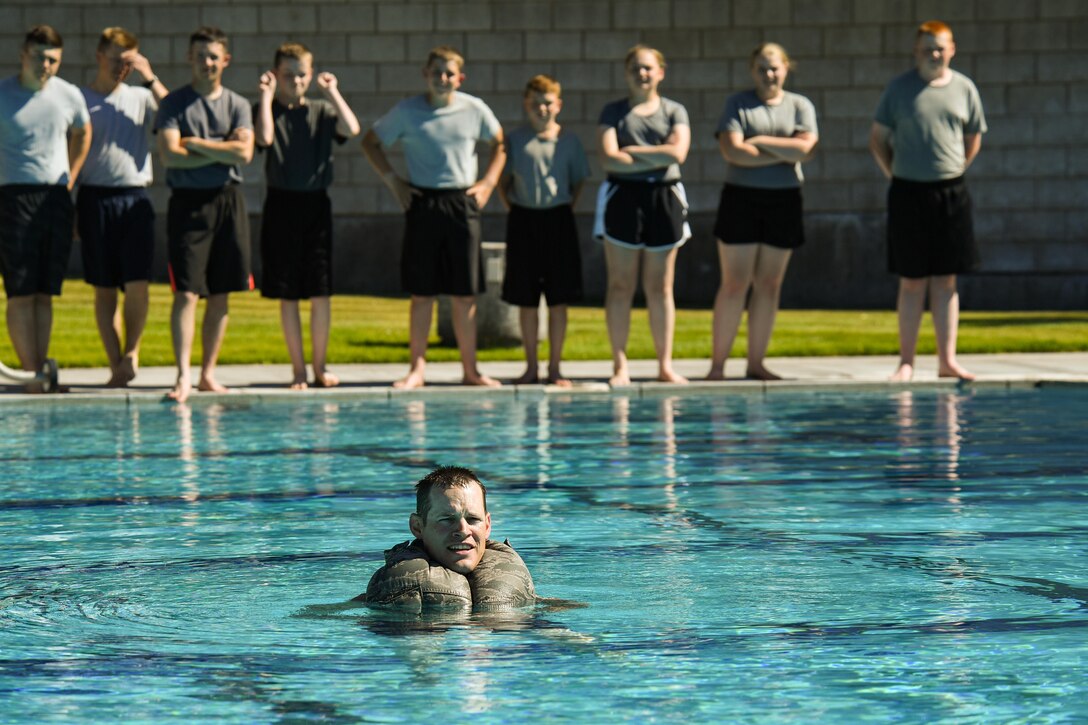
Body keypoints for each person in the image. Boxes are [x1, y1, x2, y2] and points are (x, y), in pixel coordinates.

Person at [361, 46, 505, 390]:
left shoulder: (475, 109)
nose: (443, 78)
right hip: (423, 203)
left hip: (462, 203)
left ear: (460, 78)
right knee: (422, 293)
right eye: (437, 72)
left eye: (449, 73)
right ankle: (417, 370)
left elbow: (500, 143)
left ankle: (470, 370)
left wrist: (488, 183)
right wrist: (393, 182)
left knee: (465, 294)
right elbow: (370, 143)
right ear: (426, 74)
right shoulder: (407, 112)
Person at [870, 20, 986, 382]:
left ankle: (946, 360)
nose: (934, 54)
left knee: (946, 280)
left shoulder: (965, 88)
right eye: (927, 48)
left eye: (940, 48)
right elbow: (878, 140)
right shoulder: (899, 90)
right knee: (912, 280)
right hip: (907, 192)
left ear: (952, 49)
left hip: (951, 192)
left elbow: (972, 138)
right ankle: (906, 362)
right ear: (916, 51)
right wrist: (895, 174)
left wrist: (953, 169)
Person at [706, 43, 818, 381]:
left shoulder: (800, 105)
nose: (768, 74)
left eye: (774, 68)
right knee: (734, 284)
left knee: (769, 284)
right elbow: (734, 153)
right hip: (741, 199)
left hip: (783, 200)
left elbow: (807, 149)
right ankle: (717, 366)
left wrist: (758, 142)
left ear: (785, 68)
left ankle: (756, 363)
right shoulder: (737, 104)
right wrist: (785, 150)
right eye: (761, 68)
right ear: (752, 70)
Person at [155, 26, 255, 402]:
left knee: (222, 293)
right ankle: (182, 376)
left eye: (213, 56)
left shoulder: (238, 104)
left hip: (228, 200)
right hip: (188, 204)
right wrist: (223, 148)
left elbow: (244, 155)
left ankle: (207, 374)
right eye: (200, 55)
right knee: (187, 292)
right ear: (189, 58)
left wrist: (195, 144)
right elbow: (168, 154)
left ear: (225, 60)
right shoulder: (173, 104)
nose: (206, 62)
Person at [254, 42, 361, 390]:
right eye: (288, 75)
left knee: (320, 292)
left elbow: (353, 128)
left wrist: (332, 92)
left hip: (316, 207)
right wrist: (268, 98)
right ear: (275, 76)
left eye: (301, 75)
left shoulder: (321, 110)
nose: (295, 82)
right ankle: (298, 370)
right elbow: (265, 139)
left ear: (311, 75)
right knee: (288, 293)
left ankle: (319, 367)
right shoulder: (266, 109)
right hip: (281, 205)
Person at [0, 25, 90, 392]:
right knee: (20, 291)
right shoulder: (3, 94)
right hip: (12, 198)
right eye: (39, 57)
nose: (45, 65)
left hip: (55, 197)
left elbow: (84, 132)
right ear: (24, 54)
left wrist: (71, 177)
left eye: (53, 59)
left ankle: (39, 374)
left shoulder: (68, 95)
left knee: (44, 291)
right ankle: (31, 375)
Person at [595, 45, 691, 386]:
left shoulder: (674, 111)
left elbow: (678, 153)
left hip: (664, 198)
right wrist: (658, 154)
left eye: (648, 67)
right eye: (636, 67)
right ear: (626, 73)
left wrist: (633, 152)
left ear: (660, 72)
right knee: (620, 285)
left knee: (660, 286)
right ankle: (620, 365)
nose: (642, 73)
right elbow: (608, 158)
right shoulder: (614, 112)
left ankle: (664, 365)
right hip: (623, 198)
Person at [78, 27, 168, 388]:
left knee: (138, 284)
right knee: (103, 288)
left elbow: (177, 111)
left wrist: (149, 77)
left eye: (128, 62)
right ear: (100, 56)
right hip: (93, 198)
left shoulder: (140, 97)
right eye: (116, 60)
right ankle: (116, 363)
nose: (121, 68)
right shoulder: (79, 98)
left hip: (134, 198)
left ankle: (132, 351)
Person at [498, 74, 591, 387]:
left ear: (558, 105)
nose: (541, 109)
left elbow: (578, 182)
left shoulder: (569, 142)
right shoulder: (515, 140)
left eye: (547, 103)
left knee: (558, 299)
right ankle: (530, 367)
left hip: (558, 221)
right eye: (535, 103)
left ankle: (555, 367)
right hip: (523, 220)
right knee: (526, 298)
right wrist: (518, 209)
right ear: (526, 105)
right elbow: (503, 182)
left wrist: (561, 209)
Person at [360, 466, 536, 610]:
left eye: (473, 519)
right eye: (446, 520)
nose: (462, 530)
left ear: (487, 525)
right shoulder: (387, 594)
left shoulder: (518, 590)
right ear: (417, 526)